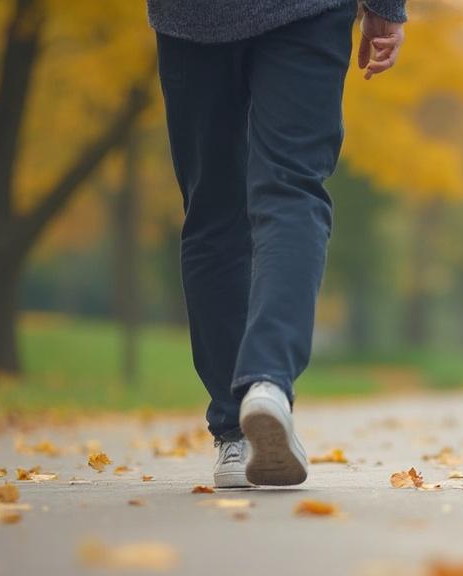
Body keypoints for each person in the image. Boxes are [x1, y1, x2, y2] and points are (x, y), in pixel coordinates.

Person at [146, 0, 407, 488]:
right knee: (291, 190)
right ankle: (267, 381)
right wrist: (386, 7)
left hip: (190, 17)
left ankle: (233, 434)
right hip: (305, 11)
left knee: (211, 210)